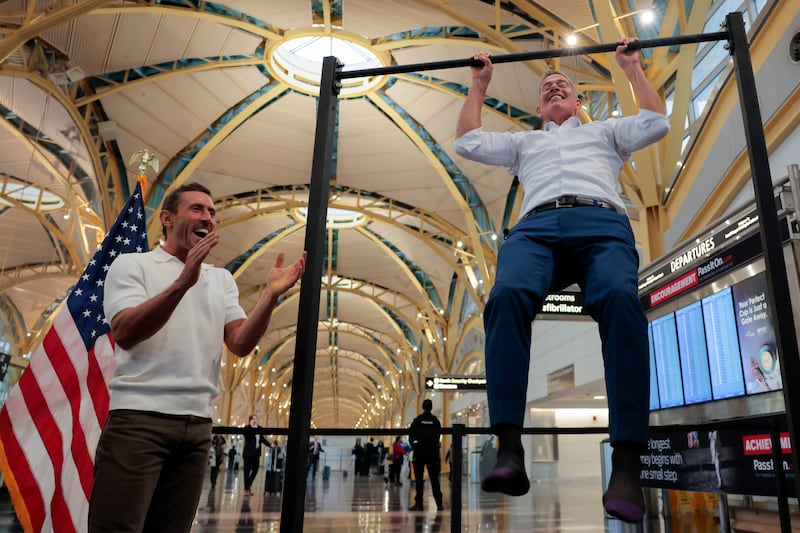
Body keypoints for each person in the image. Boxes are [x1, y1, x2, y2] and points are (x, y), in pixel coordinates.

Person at [454, 39, 668, 524]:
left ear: (577, 103)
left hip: (601, 223)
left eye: (563, 84)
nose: (555, 84)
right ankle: (509, 448)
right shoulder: (525, 143)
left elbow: (656, 121)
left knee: (619, 298)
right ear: (538, 108)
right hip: (536, 229)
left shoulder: (606, 133)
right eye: (546, 86)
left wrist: (632, 70)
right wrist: (478, 86)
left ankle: (628, 464)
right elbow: (467, 141)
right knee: (506, 296)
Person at [88, 182, 306, 532]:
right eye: (197, 209)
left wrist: (270, 297)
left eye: (212, 212)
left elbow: (239, 342)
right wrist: (182, 282)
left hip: (197, 426)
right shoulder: (132, 265)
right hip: (140, 420)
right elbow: (126, 332)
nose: (208, 217)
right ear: (168, 219)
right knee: (118, 527)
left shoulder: (221, 280)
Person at [408, 399, 444, 511]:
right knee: (434, 479)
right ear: (431, 407)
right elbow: (438, 436)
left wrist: (416, 445)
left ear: (423, 407)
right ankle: (439, 503)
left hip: (419, 453)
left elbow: (411, 436)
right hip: (432, 454)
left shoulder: (418, 420)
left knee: (419, 479)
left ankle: (419, 504)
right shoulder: (435, 421)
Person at [243, 414, 271, 495]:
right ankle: (246, 489)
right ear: (250, 420)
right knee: (246, 471)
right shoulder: (247, 428)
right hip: (248, 453)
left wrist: (269, 445)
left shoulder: (259, 428)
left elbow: (262, 439)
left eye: (256, 419)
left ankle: (248, 484)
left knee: (256, 469)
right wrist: (252, 428)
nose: (255, 420)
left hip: (256, 453)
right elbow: (247, 438)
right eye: (253, 419)